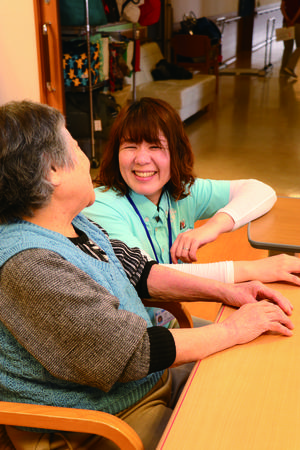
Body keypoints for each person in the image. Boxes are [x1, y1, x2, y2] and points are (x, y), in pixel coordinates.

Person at [0, 100, 294, 450]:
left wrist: (226, 293)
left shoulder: (73, 222)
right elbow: (132, 351)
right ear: (52, 171)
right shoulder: (30, 263)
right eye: (77, 148)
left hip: (144, 384)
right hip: (101, 422)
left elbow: (141, 272)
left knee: (255, 380)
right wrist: (233, 329)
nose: (86, 159)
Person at [84, 97, 300, 327]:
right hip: (138, 341)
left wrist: (211, 228)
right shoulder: (101, 205)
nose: (141, 159)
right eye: (130, 146)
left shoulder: (179, 192)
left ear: (176, 151)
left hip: (173, 322)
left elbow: (262, 191)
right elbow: (151, 276)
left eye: (155, 146)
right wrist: (253, 269)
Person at [280, 0, 300, 78]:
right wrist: (293, 21)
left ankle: (283, 70)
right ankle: (290, 67)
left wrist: (287, 19)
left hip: (286, 23)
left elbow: (282, 7)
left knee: (287, 48)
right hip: (298, 23)